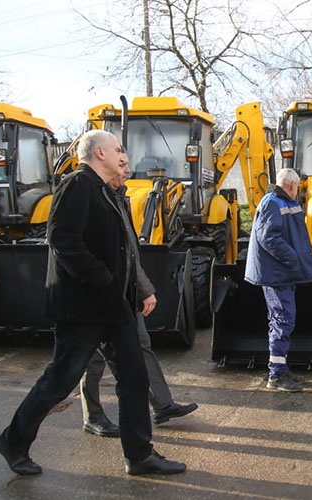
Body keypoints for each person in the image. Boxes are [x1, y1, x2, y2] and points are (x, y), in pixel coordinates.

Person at [0, 130, 185, 476]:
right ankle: (13, 441)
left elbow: (125, 250)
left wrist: (137, 289)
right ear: (99, 152)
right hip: (81, 309)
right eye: (119, 150)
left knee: (134, 377)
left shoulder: (110, 193)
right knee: (61, 379)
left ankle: (139, 455)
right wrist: (102, 278)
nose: (125, 157)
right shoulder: (77, 185)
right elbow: (62, 239)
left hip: (115, 307)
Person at [80, 158, 198, 438]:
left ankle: (162, 404)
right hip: (101, 295)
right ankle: (93, 416)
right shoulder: (92, 199)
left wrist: (145, 290)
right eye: (121, 168)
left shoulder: (121, 201)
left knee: (140, 345)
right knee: (92, 359)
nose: (126, 173)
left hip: (125, 292)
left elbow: (130, 254)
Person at [244, 168, 312, 392]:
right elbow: (269, 238)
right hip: (277, 275)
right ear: (293, 186)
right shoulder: (273, 203)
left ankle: (281, 369)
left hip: (282, 273)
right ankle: (276, 376)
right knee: (282, 319)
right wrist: (294, 258)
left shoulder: (281, 202)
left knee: (282, 319)